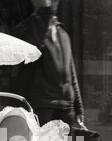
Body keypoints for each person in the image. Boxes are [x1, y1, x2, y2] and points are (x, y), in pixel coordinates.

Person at [11, 0, 87, 130]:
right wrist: (45, 12)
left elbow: (71, 72)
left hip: (66, 106)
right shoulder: (29, 28)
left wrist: (79, 108)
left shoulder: (62, 32)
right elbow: (31, 52)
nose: (53, 3)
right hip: (42, 104)